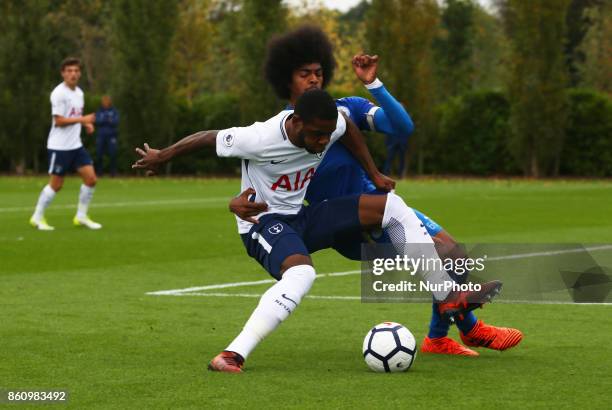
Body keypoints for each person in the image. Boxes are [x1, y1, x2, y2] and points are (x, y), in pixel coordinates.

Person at [133, 89, 504, 373]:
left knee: (392, 205)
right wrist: (162, 157)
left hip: (303, 216)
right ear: (295, 121)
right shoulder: (259, 137)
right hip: (263, 222)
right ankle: (233, 353)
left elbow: (349, 130)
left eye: (327, 134)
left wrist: (373, 173)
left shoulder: (332, 125)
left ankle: (449, 295)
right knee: (302, 272)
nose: (322, 142)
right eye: (315, 135)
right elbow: (209, 136)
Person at [228, 26, 521, 356]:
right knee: (445, 256)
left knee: (454, 257)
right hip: (350, 223)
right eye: (303, 74)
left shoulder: (344, 111)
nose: (313, 79)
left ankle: (442, 337)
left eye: (318, 72)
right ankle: (465, 331)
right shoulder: (281, 132)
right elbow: (262, 175)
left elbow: (402, 127)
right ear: (286, 79)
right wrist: (237, 202)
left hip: (379, 204)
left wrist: (373, 84)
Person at [30, 57, 102, 231]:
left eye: (76, 71)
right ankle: (37, 217)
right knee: (56, 184)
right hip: (59, 147)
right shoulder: (58, 93)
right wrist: (83, 119)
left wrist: (86, 123)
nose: (73, 74)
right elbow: (59, 121)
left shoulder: (79, 93)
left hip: (75, 146)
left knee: (91, 179)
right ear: (63, 73)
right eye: (69, 71)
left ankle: (81, 216)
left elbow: (74, 115)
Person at [95, 95, 120, 177]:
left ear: (109, 102)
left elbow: (115, 122)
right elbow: (97, 121)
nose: (105, 102)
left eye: (107, 101)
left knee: (113, 154)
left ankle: (113, 173)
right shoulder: (99, 111)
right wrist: (108, 119)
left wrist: (105, 120)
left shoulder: (114, 111)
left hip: (111, 136)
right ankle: (99, 173)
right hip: (101, 136)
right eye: (104, 101)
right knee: (99, 154)